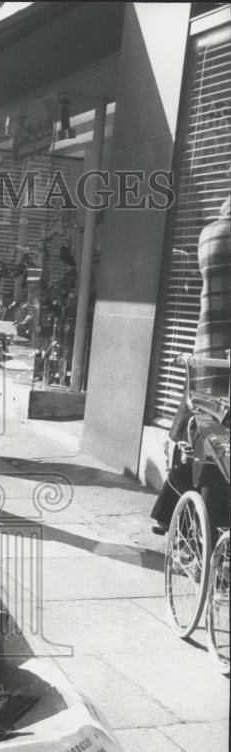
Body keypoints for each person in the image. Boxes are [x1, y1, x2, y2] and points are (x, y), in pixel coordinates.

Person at [151, 193, 231, 532]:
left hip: (207, 352)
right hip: (222, 359)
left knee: (204, 438)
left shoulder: (210, 232)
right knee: (217, 452)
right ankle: (204, 540)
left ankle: (173, 519)